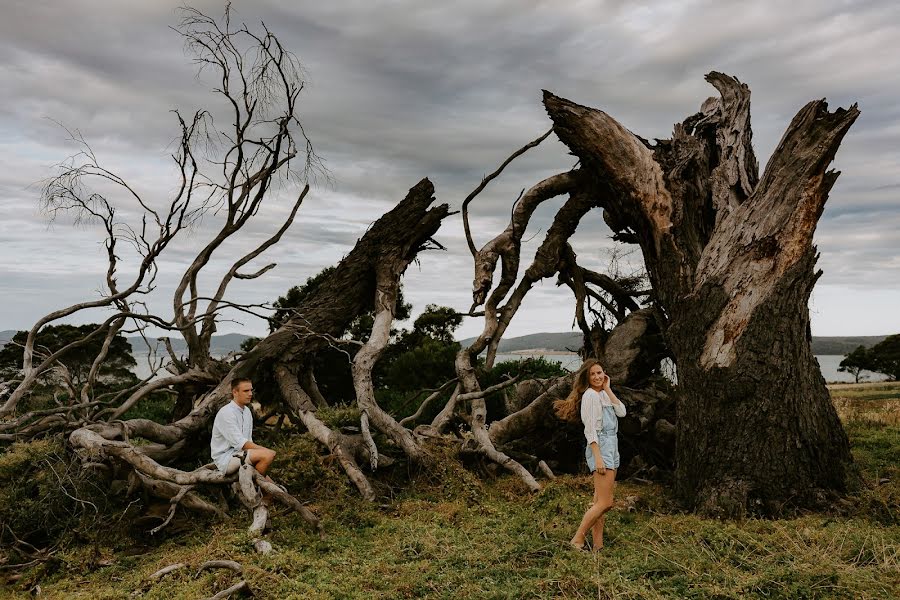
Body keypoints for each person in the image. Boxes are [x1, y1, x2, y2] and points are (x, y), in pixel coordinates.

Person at [554, 358, 626, 551]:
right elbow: (590, 430)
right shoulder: (590, 396)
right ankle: (577, 539)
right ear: (587, 377)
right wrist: (598, 457)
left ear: (605, 374)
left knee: (599, 501)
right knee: (606, 502)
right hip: (600, 446)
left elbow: (622, 412)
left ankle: (598, 545)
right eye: (592, 374)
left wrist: (608, 389)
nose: (597, 377)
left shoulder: (603, 394)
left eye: (599, 372)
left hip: (612, 444)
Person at [211, 378, 277, 478]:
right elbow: (241, 443)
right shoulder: (226, 413)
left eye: (251, 390)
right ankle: (256, 489)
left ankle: (259, 488)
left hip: (241, 454)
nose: (250, 394)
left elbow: (248, 440)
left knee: (273, 488)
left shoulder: (246, 411)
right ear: (235, 392)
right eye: (246, 391)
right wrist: (265, 450)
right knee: (267, 455)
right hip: (226, 459)